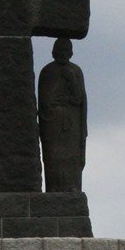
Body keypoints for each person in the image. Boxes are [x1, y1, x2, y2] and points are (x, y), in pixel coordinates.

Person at [37, 37, 87, 192]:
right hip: (53, 124)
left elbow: (79, 98)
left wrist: (70, 79)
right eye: (60, 51)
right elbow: (45, 102)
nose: (63, 54)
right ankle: (54, 187)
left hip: (72, 124)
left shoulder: (75, 71)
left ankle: (72, 187)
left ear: (71, 53)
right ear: (54, 52)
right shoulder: (47, 72)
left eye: (66, 51)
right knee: (53, 158)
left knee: (72, 157)